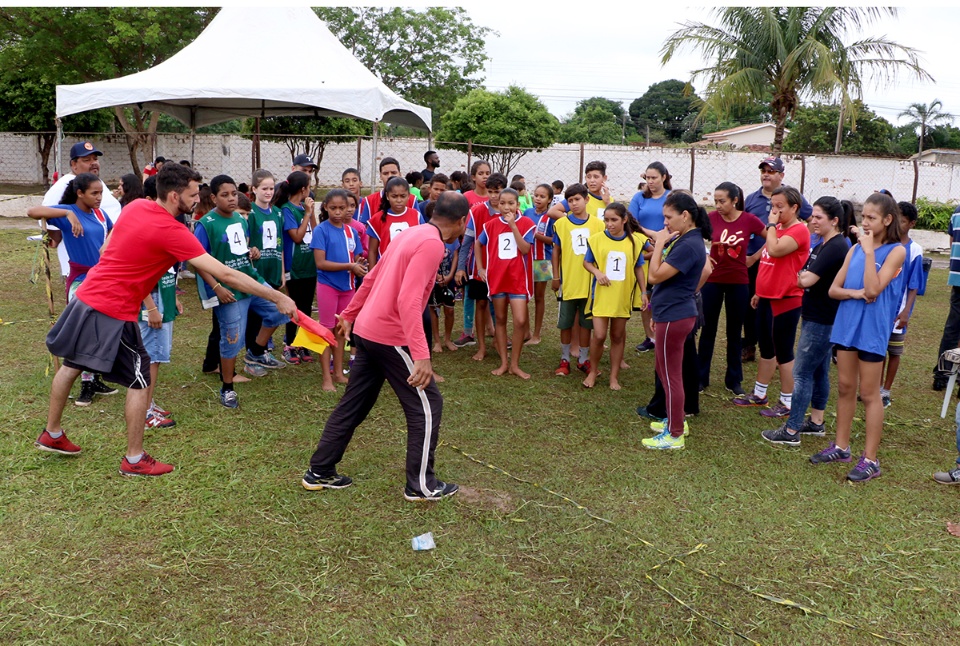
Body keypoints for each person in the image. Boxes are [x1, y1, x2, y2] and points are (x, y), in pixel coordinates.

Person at [36, 163, 296, 476]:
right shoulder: (173, 231)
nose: (198, 199)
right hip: (113, 308)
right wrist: (278, 296)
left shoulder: (136, 207)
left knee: (72, 364)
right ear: (174, 196)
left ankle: (51, 434)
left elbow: (106, 249)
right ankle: (134, 459)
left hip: (87, 294)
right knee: (140, 378)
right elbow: (225, 273)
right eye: (192, 194)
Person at [300, 191, 470, 501]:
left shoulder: (414, 232)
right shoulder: (432, 244)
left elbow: (372, 276)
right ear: (462, 221)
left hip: (367, 331)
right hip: (390, 337)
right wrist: (421, 356)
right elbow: (408, 301)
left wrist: (350, 315)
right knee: (428, 405)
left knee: (355, 402)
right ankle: (421, 485)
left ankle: (320, 470)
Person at [810, 192, 906, 482]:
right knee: (845, 386)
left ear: (887, 220)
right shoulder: (853, 250)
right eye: (864, 216)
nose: (865, 222)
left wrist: (868, 253)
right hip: (847, 325)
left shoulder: (895, 251)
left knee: (869, 393)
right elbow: (833, 290)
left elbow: (874, 289)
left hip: (872, 331)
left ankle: (871, 459)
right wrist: (856, 294)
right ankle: (841, 446)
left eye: (872, 218)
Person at [761, 197, 851, 445]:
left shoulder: (835, 247)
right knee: (819, 371)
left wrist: (800, 276)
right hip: (817, 315)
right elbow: (804, 274)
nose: (813, 220)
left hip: (822, 319)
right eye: (814, 216)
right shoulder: (824, 244)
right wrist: (802, 275)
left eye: (819, 217)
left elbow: (806, 280)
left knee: (801, 373)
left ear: (834, 221)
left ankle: (791, 431)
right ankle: (817, 422)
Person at [195, 175, 288, 408]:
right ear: (213, 197)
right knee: (231, 339)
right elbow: (196, 261)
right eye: (224, 195)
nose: (231, 198)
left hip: (251, 281)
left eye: (234, 193)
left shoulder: (240, 218)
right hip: (228, 291)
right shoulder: (205, 224)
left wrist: (252, 251)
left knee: (280, 310)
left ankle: (256, 351)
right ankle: (227, 387)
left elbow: (240, 247)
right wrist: (217, 288)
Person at [28, 173, 115, 406]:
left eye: (101, 193)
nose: (99, 197)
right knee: (83, 330)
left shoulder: (100, 215)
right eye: (94, 193)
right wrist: (66, 213)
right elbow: (33, 212)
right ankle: (86, 383)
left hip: (103, 277)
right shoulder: (68, 212)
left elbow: (114, 233)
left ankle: (94, 377)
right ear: (80, 193)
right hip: (81, 279)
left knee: (100, 329)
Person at [641, 191, 709, 450]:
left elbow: (655, 275)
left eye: (669, 217)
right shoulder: (686, 239)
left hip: (676, 315)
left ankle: (675, 433)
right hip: (669, 313)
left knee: (671, 375)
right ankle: (675, 419)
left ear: (685, 215)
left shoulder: (690, 244)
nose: (665, 223)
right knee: (665, 370)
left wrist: (659, 243)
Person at [734, 187, 810, 418]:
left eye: (780, 207)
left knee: (784, 351)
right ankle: (760, 394)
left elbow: (775, 251)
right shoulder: (778, 229)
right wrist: (759, 292)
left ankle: (787, 402)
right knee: (767, 348)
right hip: (767, 297)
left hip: (786, 299)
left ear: (794, 208)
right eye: (773, 206)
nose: (775, 211)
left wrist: (770, 225)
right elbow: (767, 261)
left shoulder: (798, 231)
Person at [741, 156, 813, 362]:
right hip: (758, 261)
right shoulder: (753, 198)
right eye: (763, 170)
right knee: (752, 305)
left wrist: (796, 244)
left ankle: (773, 353)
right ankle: (750, 345)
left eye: (771, 171)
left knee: (778, 328)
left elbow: (809, 221)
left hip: (777, 260)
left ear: (781, 175)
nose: (766, 174)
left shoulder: (792, 200)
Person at [697, 182, 764, 396]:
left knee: (735, 332)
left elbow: (773, 237)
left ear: (735, 200)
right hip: (713, 280)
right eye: (715, 201)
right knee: (708, 329)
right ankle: (701, 377)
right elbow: (697, 238)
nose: (717, 205)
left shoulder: (748, 220)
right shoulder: (710, 218)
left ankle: (734, 380)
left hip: (738, 281)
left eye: (722, 201)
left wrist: (754, 257)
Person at [582, 203, 648, 390]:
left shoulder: (634, 242)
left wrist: (643, 292)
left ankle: (613, 377)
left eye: (614, 220)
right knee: (600, 336)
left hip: (622, 296)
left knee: (617, 336)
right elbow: (587, 263)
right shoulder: (596, 240)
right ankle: (593, 371)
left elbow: (638, 267)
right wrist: (597, 272)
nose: (609, 224)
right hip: (601, 296)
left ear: (624, 220)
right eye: (606, 220)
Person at [476, 187, 535, 379]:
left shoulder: (527, 223)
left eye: (511, 203)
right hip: (498, 279)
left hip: (518, 280)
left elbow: (525, 249)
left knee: (519, 320)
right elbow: (479, 243)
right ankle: (503, 362)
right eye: (502, 203)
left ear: (518, 205)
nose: (506, 207)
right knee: (499, 319)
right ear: (497, 204)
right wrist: (480, 267)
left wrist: (513, 226)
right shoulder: (490, 225)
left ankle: (515, 364)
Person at [312, 189, 368, 391]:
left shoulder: (351, 231)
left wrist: (358, 264)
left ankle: (337, 373)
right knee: (326, 331)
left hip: (348, 287)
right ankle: (326, 377)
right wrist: (349, 266)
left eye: (342, 208)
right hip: (328, 286)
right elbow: (321, 263)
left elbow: (356, 256)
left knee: (341, 329)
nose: (337, 212)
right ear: (325, 207)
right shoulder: (321, 230)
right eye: (333, 208)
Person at [43, 141, 122, 279]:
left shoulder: (95, 182)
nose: (93, 163)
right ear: (74, 165)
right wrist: (57, 236)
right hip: (81, 265)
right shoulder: (64, 184)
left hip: (103, 263)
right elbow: (45, 213)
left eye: (95, 159)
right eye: (86, 160)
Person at [551, 183, 605, 375]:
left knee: (586, 323)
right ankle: (565, 359)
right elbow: (556, 252)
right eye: (570, 200)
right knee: (565, 323)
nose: (574, 204)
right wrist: (556, 276)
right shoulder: (561, 224)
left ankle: (583, 359)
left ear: (586, 200)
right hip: (569, 283)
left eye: (577, 199)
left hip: (590, 284)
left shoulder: (599, 225)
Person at [456, 172, 508, 361]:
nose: (494, 196)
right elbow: (467, 242)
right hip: (481, 270)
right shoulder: (477, 212)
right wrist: (461, 267)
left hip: (502, 270)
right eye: (491, 191)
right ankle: (481, 346)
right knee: (481, 304)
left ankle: (499, 339)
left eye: (498, 192)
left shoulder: (512, 213)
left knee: (501, 306)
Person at [881, 201, 926, 407]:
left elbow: (914, 285)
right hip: (881, 308)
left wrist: (906, 311)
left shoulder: (915, 250)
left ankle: (886, 391)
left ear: (912, 224)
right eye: (896, 218)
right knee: (878, 350)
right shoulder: (885, 244)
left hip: (898, 312)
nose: (899, 224)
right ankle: (873, 388)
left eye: (904, 220)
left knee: (894, 352)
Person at [628, 162, 673, 353]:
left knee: (663, 296)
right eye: (647, 177)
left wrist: (661, 240)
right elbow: (630, 221)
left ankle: (665, 335)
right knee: (645, 297)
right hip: (645, 252)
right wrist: (652, 238)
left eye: (654, 177)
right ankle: (650, 337)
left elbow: (677, 222)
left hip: (669, 250)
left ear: (664, 177)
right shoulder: (639, 197)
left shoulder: (672, 197)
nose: (650, 181)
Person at [275, 171, 317, 364]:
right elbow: (297, 237)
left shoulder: (303, 208)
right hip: (295, 268)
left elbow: (315, 233)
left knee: (307, 307)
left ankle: (304, 343)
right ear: (303, 189)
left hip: (310, 266)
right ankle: (290, 344)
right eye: (309, 186)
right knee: (295, 307)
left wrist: (311, 213)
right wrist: (307, 214)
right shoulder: (287, 210)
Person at [246, 170, 285, 355]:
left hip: (274, 268)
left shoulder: (277, 213)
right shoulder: (251, 213)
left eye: (271, 188)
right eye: (264, 188)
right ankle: (254, 351)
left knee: (274, 310)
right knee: (256, 315)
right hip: (258, 271)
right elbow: (248, 243)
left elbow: (280, 245)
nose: (268, 192)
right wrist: (252, 252)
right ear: (254, 189)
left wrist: (283, 271)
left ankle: (261, 348)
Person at [367, 176, 425, 267]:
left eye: (403, 196)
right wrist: (372, 277)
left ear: (409, 196)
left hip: (410, 267)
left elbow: (422, 244)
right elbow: (372, 251)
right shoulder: (377, 218)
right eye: (394, 196)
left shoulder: (416, 216)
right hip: (385, 268)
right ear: (387, 196)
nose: (399, 200)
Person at [933, 204, 960, 391]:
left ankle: (942, 374)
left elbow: (952, 242)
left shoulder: (957, 211)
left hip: (958, 277)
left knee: (953, 327)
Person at [526, 183, 555, 345]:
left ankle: (536, 334)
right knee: (524, 296)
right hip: (526, 259)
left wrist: (536, 235)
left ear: (549, 200)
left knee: (539, 297)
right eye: (536, 195)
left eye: (542, 196)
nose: (538, 198)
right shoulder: (528, 212)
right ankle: (526, 331)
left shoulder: (551, 216)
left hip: (543, 261)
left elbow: (554, 240)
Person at [358, 157, 417, 224]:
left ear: (400, 174)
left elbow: (418, 225)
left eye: (393, 172)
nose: (389, 176)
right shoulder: (370, 201)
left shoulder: (412, 199)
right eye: (385, 173)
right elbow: (365, 227)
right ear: (380, 176)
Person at [548, 160, 612, 221]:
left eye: (596, 177)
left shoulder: (610, 201)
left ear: (604, 178)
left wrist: (607, 203)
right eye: (589, 177)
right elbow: (552, 211)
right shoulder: (578, 197)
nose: (592, 181)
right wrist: (573, 222)